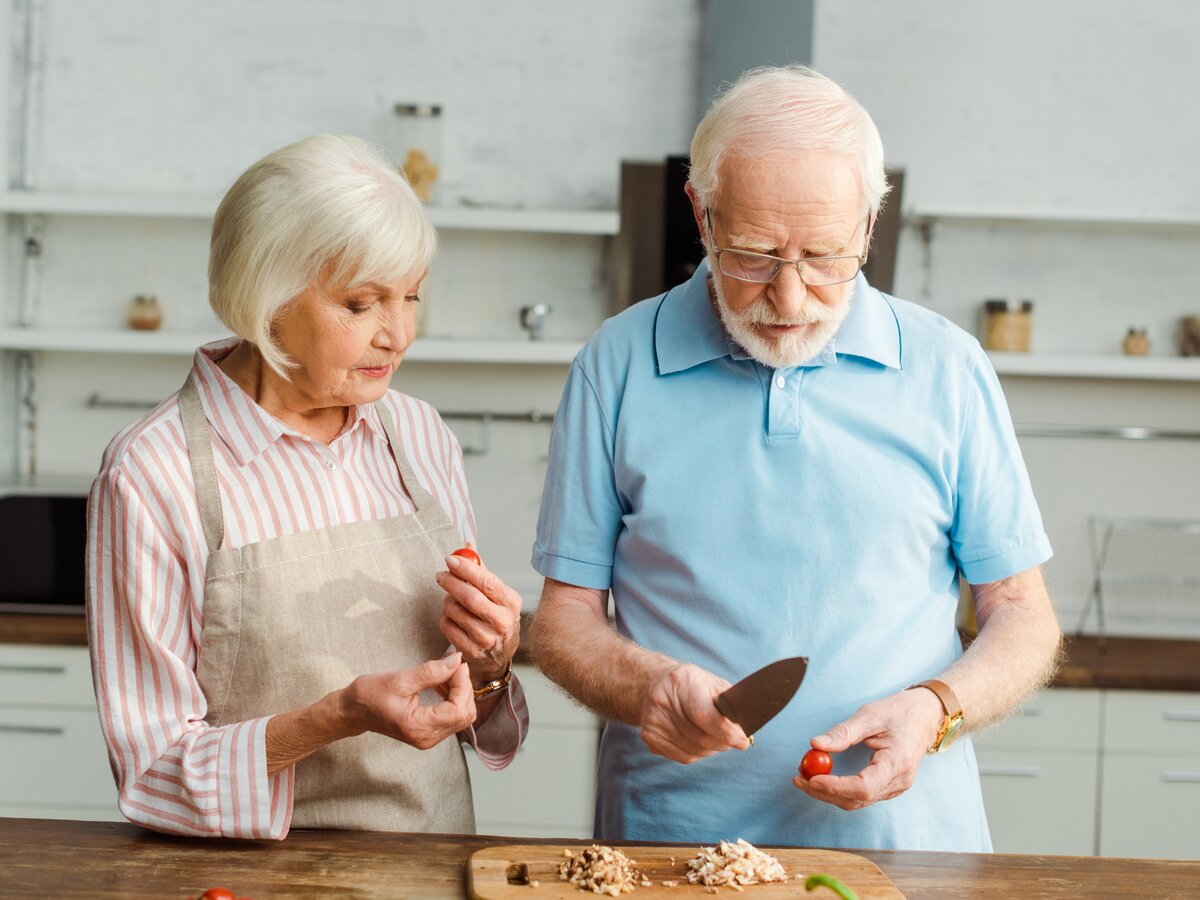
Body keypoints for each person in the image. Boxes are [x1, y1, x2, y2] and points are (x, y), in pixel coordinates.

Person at [529, 65, 1061, 851]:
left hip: (908, 848)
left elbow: (1022, 614)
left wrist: (936, 707)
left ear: (870, 225)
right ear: (700, 214)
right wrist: (647, 684)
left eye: (823, 256)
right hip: (670, 846)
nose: (788, 299)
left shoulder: (950, 369)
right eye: (751, 254)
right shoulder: (615, 366)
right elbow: (563, 621)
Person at [86, 134, 528, 839]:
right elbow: (152, 773)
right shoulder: (151, 474)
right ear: (267, 299)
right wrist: (337, 717)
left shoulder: (418, 434)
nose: (399, 334)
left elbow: (478, 717)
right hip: (254, 880)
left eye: (410, 297)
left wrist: (493, 665)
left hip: (431, 862)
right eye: (361, 305)